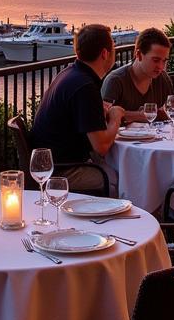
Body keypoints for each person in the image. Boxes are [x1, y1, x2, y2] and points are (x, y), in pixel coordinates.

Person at [30, 23, 124, 194]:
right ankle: (110, 220)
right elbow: (101, 146)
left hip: (48, 163)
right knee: (120, 180)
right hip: (61, 171)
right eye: (113, 48)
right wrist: (116, 117)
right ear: (104, 53)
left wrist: (97, 112)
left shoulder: (70, 74)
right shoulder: (85, 86)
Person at [101, 27, 174, 122]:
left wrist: (126, 114)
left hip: (155, 136)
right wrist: (143, 115)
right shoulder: (116, 81)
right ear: (139, 55)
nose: (160, 66)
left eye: (164, 61)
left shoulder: (163, 78)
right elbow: (103, 117)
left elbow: (172, 110)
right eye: (156, 60)